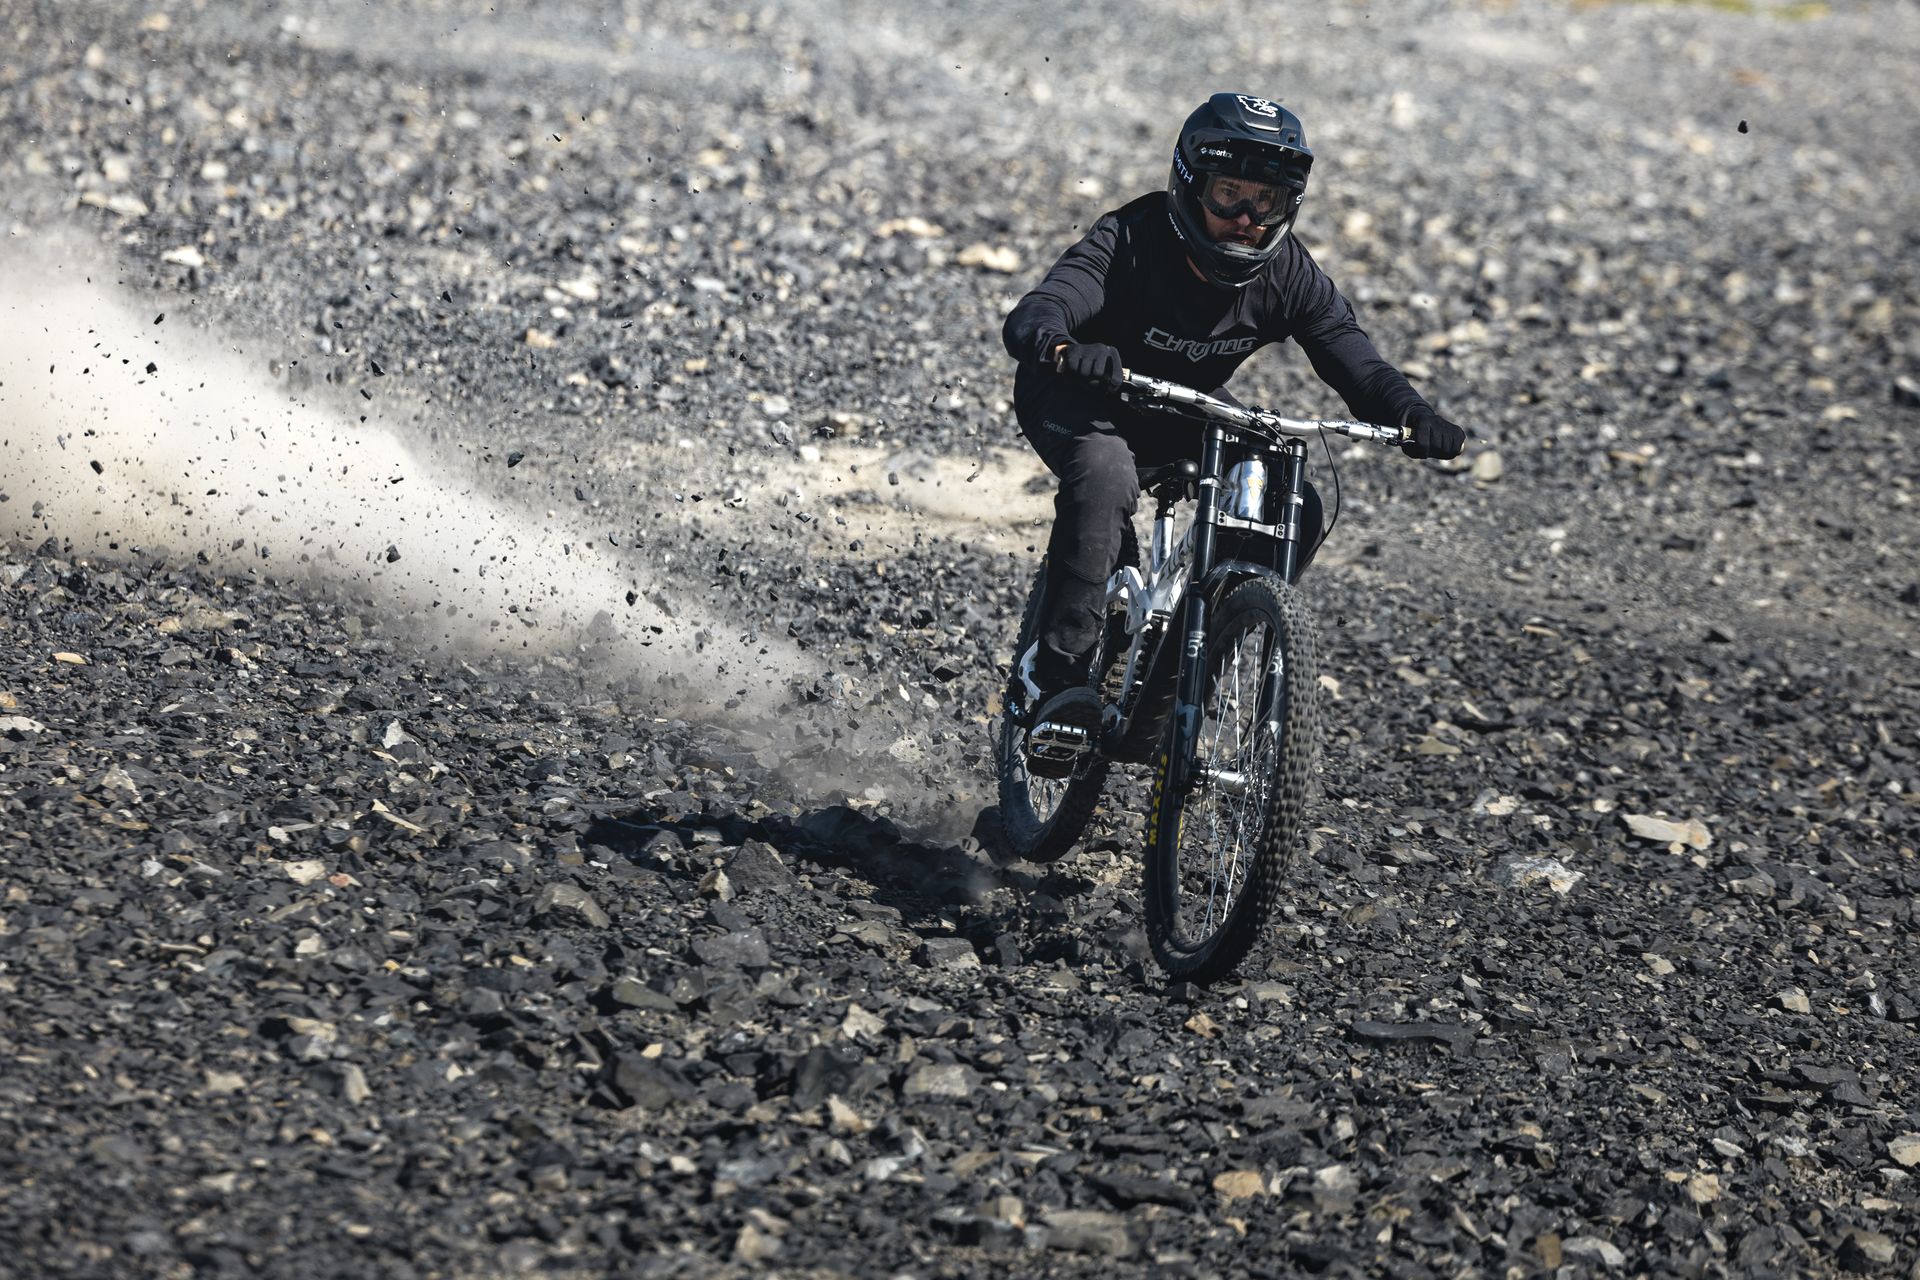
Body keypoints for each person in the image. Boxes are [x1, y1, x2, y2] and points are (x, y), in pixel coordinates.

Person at [1001, 91, 1466, 733]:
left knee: (1295, 497)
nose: (1247, 218)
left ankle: (1185, 664)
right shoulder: (1129, 237)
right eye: (1229, 196)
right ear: (1190, 186)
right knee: (1105, 477)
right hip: (1078, 390)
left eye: (1266, 202)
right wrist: (1065, 347)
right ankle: (1052, 682)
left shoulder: (1290, 276)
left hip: (1180, 402)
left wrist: (1412, 414)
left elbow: (1355, 362)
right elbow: (1036, 312)